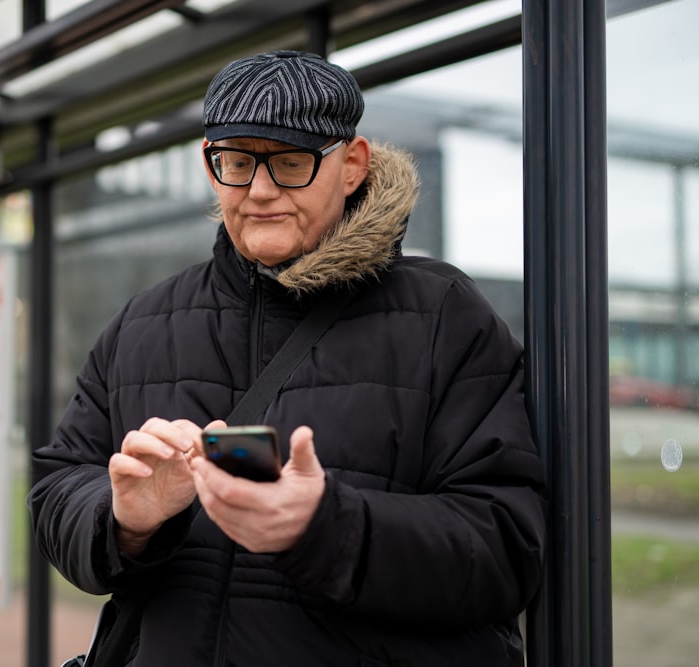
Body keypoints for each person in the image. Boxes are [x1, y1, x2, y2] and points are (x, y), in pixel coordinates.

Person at [30, 50, 547, 666]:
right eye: (239, 162)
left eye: (291, 162)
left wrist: (327, 526)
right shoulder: (144, 320)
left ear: (352, 165)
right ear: (209, 163)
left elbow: (508, 548)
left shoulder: (445, 316)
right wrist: (123, 519)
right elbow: (56, 487)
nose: (261, 191)